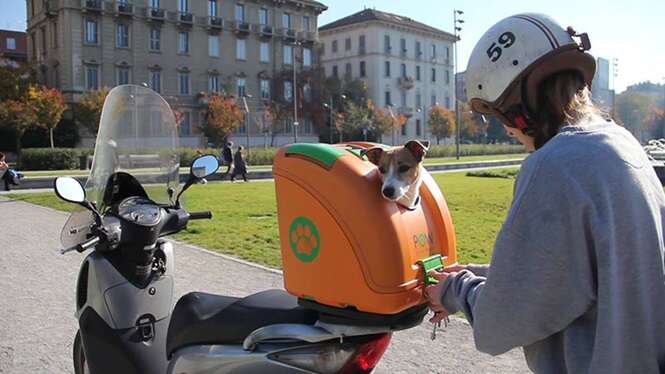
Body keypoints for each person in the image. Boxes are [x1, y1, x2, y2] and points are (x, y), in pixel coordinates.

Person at [425, 13, 665, 374]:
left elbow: (499, 324)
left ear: (519, 105)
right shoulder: (620, 143)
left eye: (497, 113)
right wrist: (478, 274)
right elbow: (580, 270)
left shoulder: (556, 164)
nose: (506, 130)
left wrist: (453, 290)